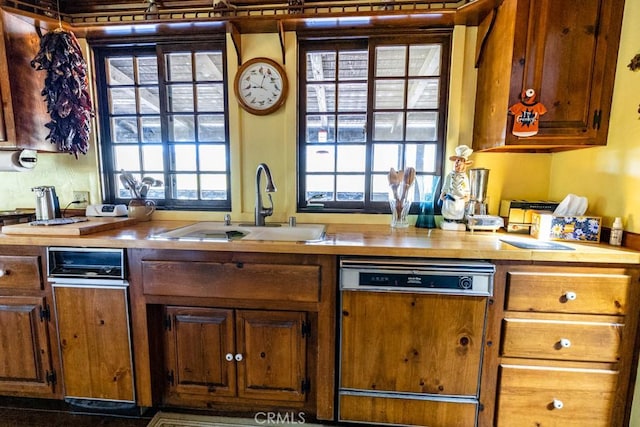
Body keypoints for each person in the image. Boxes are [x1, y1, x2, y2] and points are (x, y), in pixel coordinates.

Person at [440, 145, 473, 222]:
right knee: (448, 213)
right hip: (449, 200)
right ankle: (448, 219)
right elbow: (446, 186)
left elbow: (467, 191)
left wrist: (466, 198)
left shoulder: (465, 178)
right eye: (456, 161)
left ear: (464, 164)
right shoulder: (449, 175)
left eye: (460, 162)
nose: (457, 163)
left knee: (458, 215)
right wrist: (442, 195)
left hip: (460, 203)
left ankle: (457, 221)